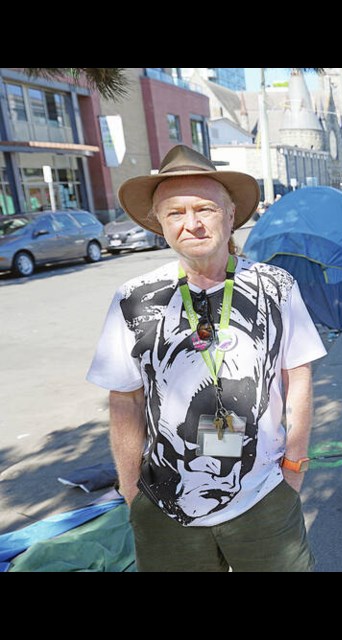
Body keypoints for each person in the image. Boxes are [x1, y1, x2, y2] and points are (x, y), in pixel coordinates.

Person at [86, 145, 326, 572]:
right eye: (175, 213)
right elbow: (125, 399)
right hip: (164, 504)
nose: (191, 223)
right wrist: (129, 489)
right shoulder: (133, 299)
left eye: (205, 209)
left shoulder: (276, 286)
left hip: (264, 495)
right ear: (160, 224)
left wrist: (294, 467)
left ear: (231, 215)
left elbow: (299, 377)